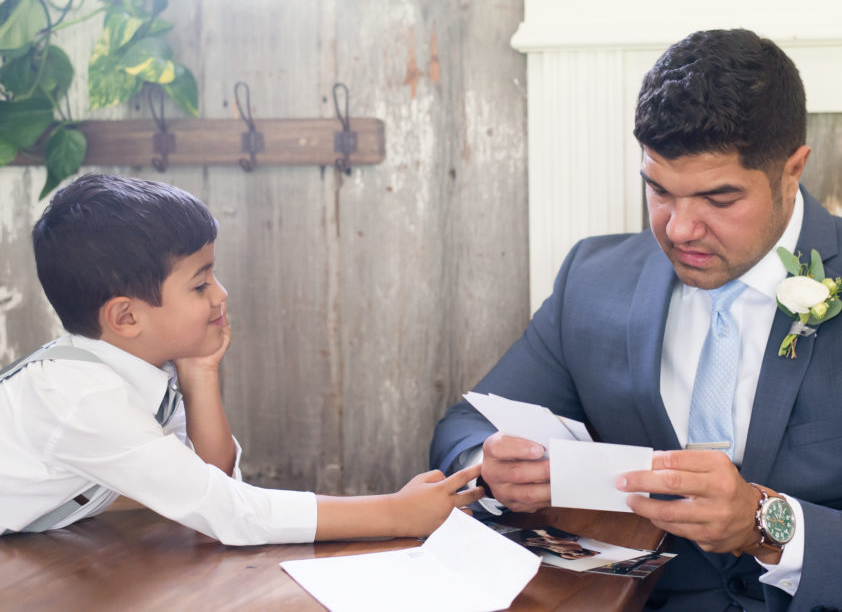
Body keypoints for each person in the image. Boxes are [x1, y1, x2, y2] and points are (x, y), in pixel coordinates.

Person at [430, 28, 842, 611]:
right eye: (658, 190)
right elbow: (463, 428)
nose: (679, 229)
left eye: (719, 200)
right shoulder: (593, 279)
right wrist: (492, 463)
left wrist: (764, 525)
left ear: (792, 169)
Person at [0, 173, 483, 544]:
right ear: (126, 317)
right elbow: (227, 511)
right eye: (200, 283)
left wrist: (201, 373)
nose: (221, 294)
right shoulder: (81, 396)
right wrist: (394, 514)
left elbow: (211, 478)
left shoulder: (140, 369)